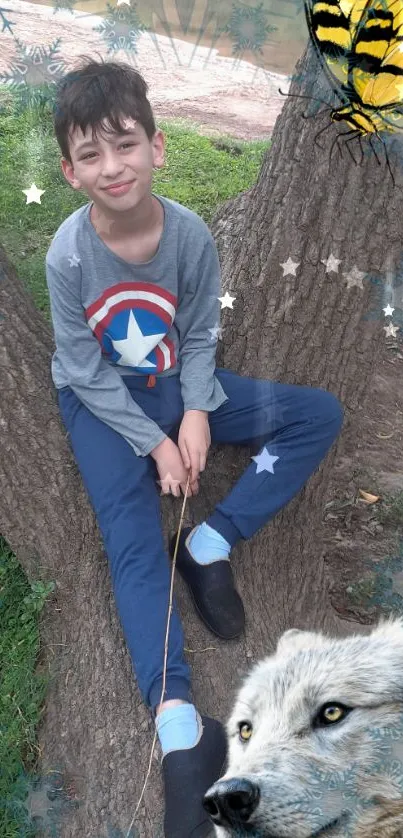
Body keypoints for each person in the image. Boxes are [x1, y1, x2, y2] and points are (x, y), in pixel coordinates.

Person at [46, 54, 344, 837]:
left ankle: (211, 542)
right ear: (70, 172)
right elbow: (82, 368)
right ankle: (182, 729)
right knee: (133, 542)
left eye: (125, 143)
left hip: (178, 384)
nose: (113, 166)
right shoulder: (70, 256)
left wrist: (198, 413)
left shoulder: (188, 234)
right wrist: (152, 442)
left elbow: (201, 332)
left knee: (314, 414)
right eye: (90, 154)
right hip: (101, 406)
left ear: (157, 146)